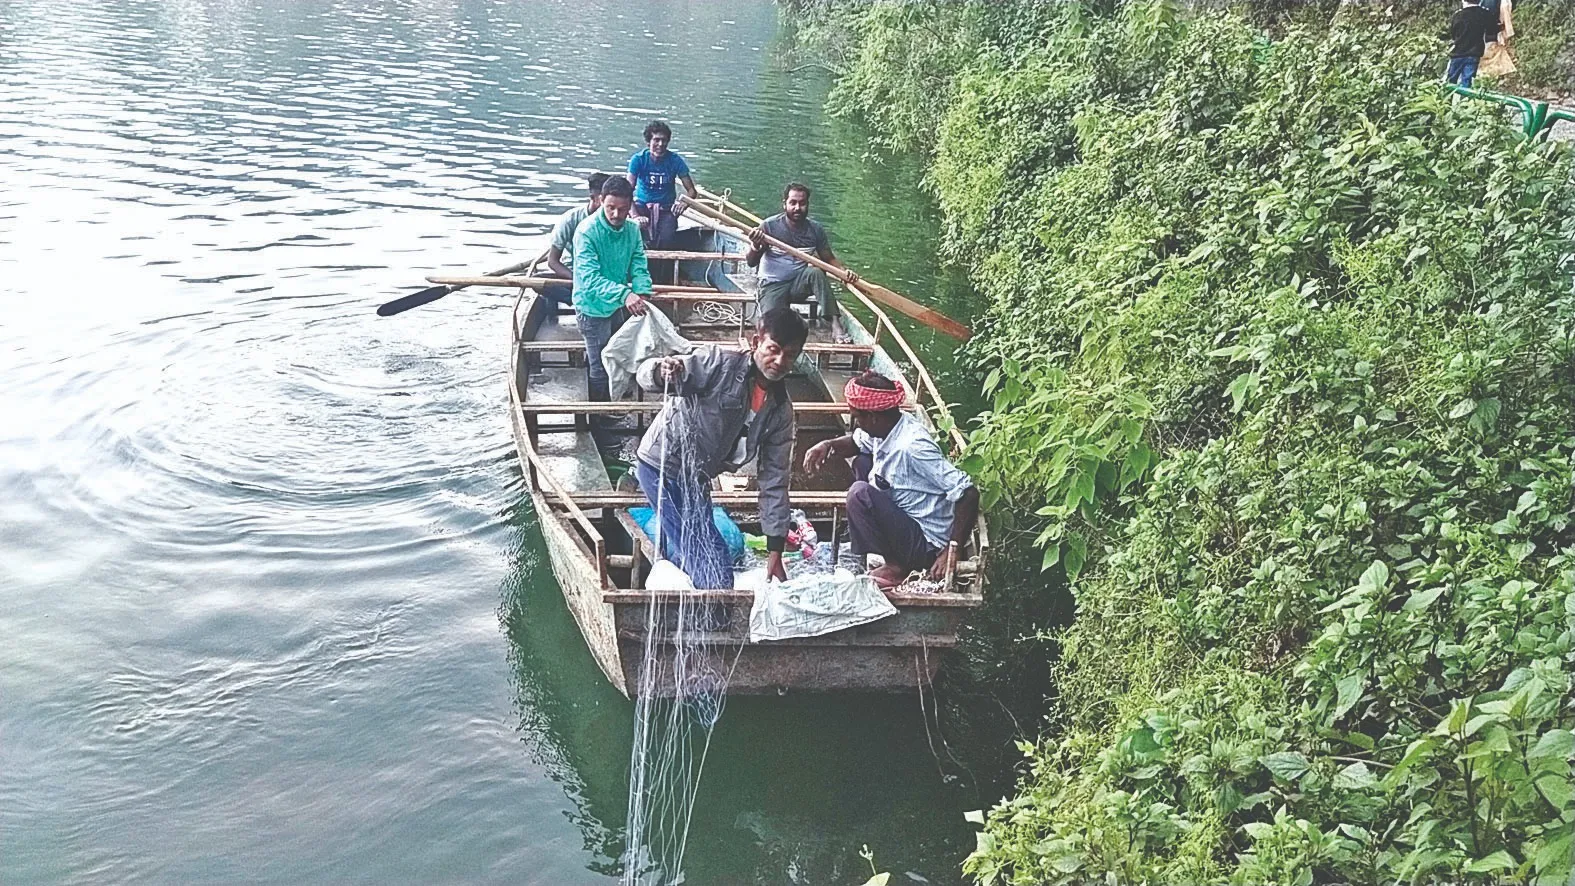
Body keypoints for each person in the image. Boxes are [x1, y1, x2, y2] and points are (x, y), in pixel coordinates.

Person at [634, 308, 809, 589]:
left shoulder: (780, 411)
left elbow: (775, 479)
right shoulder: (718, 364)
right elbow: (647, 374)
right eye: (773, 350)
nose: (779, 361)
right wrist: (660, 371)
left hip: (697, 478)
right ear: (756, 343)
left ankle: (685, 576)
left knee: (705, 550)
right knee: (711, 564)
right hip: (662, 466)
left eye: (789, 355)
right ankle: (708, 611)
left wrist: (775, 548)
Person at [803, 372, 979, 590]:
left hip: (927, 544)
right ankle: (884, 550)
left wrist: (952, 550)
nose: (856, 422)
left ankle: (896, 566)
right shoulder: (887, 426)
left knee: (859, 494)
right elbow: (856, 443)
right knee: (862, 462)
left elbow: (968, 493)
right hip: (906, 516)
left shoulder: (912, 447)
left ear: (873, 417)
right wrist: (828, 445)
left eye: (857, 417)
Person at [572, 176, 652, 419]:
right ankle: (600, 417)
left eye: (623, 209)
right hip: (592, 307)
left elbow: (639, 262)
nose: (616, 214)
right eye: (611, 208)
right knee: (599, 366)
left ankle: (615, 400)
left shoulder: (631, 230)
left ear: (630, 207)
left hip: (619, 304)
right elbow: (589, 277)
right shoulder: (586, 232)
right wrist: (625, 294)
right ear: (600, 201)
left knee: (618, 355)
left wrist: (642, 289)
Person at [746, 183, 857, 322]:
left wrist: (844, 272)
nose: (797, 208)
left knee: (816, 272)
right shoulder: (769, 226)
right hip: (772, 285)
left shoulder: (816, 230)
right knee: (773, 327)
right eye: (793, 203)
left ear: (808, 205)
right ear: (784, 204)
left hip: (798, 286)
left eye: (802, 203)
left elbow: (829, 259)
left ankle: (835, 323)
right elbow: (751, 262)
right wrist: (755, 245)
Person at [540, 172, 611, 306]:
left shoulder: (614, 221)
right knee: (538, 282)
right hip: (573, 275)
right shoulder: (570, 219)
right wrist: (577, 279)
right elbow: (553, 261)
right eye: (604, 201)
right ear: (593, 198)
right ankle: (583, 300)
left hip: (603, 277)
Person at [626, 120, 697, 250]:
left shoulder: (675, 160)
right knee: (637, 236)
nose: (661, 144)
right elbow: (626, 191)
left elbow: (692, 191)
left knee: (667, 239)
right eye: (656, 140)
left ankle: (663, 268)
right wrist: (635, 215)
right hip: (642, 206)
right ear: (649, 142)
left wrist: (683, 204)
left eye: (664, 140)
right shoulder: (639, 159)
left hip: (667, 208)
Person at [1442, 0, 1496, 88]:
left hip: (1457, 53)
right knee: (1468, 81)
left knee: (1450, 81)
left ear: (1464, 1)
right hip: (1474, 53)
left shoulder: (1458, 15)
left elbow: (1453, 33)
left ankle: (1446, 100)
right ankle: (1465, 100)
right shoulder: (1484, 14)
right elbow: (1492, 29)